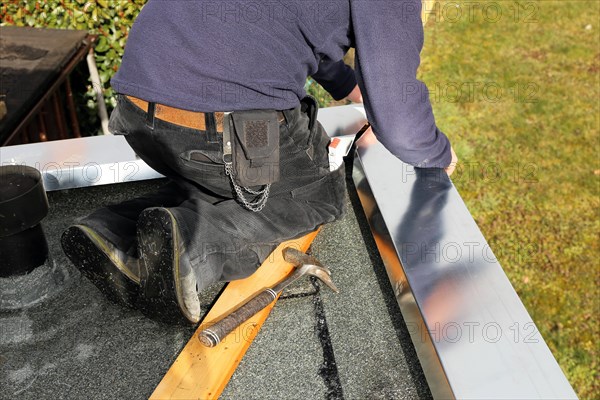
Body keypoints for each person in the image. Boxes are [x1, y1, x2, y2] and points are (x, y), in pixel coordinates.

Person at [61, 0, 457, 324]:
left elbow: (291, 19)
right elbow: (400, 120)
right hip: (220, 127)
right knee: (310, 193)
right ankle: (191, 251)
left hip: (137, 112)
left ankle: (109, 229)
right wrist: (438, 155)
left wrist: (348, 84)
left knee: (214, 171)